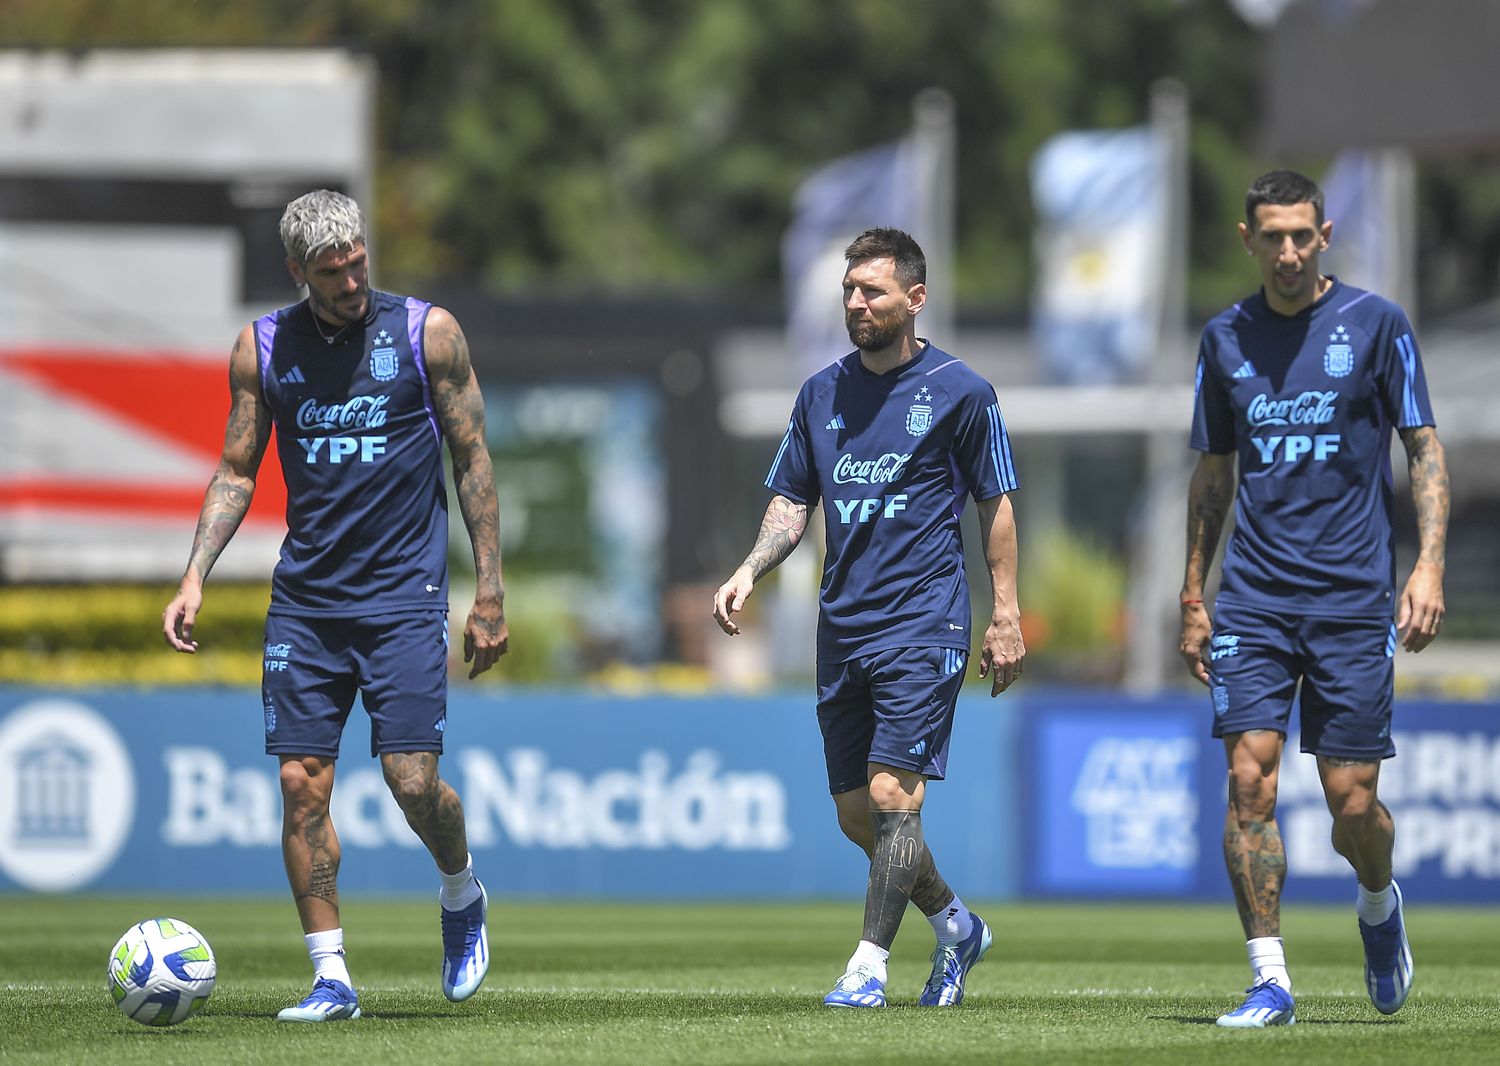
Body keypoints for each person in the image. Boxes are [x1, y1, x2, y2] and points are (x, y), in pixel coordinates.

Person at [162, 189, 509, 1022]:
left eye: (357, 259)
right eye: (332, 269)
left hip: (403, 596)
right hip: (308, 604)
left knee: (412, 781)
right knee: (300, 783)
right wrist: (194, 573)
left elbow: (472, 460)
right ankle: (331, 978)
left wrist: (489, 588)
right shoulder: (262, 348)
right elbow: (238, 469)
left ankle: (461, 893)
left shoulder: (429, 333)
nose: (352, 278)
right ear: (296, 271)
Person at [713, 227, 1024, 1008]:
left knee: (894, 797)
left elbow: (996, 505)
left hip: (926, 622)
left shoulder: (963, 392)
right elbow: (792, 499)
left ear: (914, 300)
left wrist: (1006, 613)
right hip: (841, 628)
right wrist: (750, 568)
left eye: (872, 291)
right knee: (861, 815)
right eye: (849, 291)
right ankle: (957, 926)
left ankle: (866, 969)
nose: (856, 303)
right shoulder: (820, 392)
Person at [1180, 170, 1449, 1028]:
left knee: (1352, 802)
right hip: (1254, 600)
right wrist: (1194, 592)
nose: (1288, 251)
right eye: (1273, 236)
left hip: (1351, 599)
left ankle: (1378, 903)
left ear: (1324, 235)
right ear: (1247, 238)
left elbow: (1424, 450)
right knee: (1247, 778)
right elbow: (1213, 472)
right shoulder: (1224, 338)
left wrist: (1429, 564)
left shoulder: (1376, 326)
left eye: (1303, 235)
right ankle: (1271, 981)